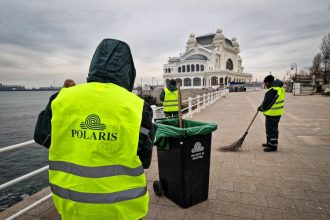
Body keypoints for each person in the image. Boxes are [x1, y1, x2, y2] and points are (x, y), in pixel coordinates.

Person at [34, 39, 154, 220]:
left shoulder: (60, 99)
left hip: (71, 206)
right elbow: (145, 160)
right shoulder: (139, 107)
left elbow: (41, 137)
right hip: (123, 209)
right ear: (128, 70)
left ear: (93, 64)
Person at [257, 75, 285, 152]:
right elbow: (269, 102)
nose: (265, 85)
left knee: (272, 129)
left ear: (269, 82)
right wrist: (261, 107)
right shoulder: (278, 88)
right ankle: (269, 142)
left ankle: (273, 146)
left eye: (265, 83)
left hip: (273, 113)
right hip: (273, 113)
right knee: (269, 128)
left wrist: (261, 108)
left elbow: (268, 102)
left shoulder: (273, 90)